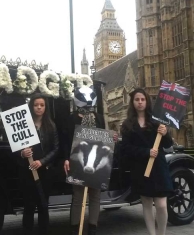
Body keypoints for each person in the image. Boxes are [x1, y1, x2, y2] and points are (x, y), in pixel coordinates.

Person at [120, 88, 173, 235]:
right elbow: (126, 148)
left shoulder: (157, 121)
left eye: (142, 99)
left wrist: (166, 133)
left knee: (161, 205)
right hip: (141, 168)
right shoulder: (127, 124)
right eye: (137, 100)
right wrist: (146, 152)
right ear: (133, 102)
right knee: (147, 204)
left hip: (158, 167)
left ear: (147, 101)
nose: (140, 102)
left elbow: (167, 144)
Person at [63, 86, 115, 235]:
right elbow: (66, 140)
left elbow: (104, 137)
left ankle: (93, 227)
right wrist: (66, 158)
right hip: (79, 160)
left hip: (96, 158)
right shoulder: (71, 118)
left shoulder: (98, 117)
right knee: (78, 195)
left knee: (95, 195)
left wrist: (112, 139)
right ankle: (75, 227)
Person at [19, 93, 59, 235]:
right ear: (32, 106)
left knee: (43, 204)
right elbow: (16, 148)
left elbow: (55, 149)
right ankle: (27, 231)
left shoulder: (51, 126)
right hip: (28, 171)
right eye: (36, 105)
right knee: (29, 205)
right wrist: (22, 153)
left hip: (45, 171)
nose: (39, 108)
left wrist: (41, 162)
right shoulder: (24, 125)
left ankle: (44, 231)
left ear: (45, 107)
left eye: (42, 105)